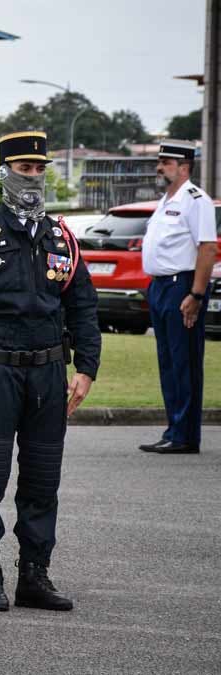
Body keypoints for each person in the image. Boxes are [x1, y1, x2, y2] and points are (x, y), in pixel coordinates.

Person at [0, 130, 101, 612]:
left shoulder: (60, 237)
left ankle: (34, 574)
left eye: (38, 169)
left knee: (41, 480)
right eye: (23, 169)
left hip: (48, 373)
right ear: (4, 173)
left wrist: (87, 367)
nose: (32, 177)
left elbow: (83, 306)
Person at [139, 140, 216, 455]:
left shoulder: (196, 200)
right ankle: (174, 429)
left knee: (184, 362)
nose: (159, 167)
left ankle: (185, 435)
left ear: (184, 166)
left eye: (165, 162)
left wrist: (196, 294)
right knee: (168, 362)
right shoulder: (166, 200)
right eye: (159, 161)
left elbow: (207, 249)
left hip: (181, 286)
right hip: (159, 286)